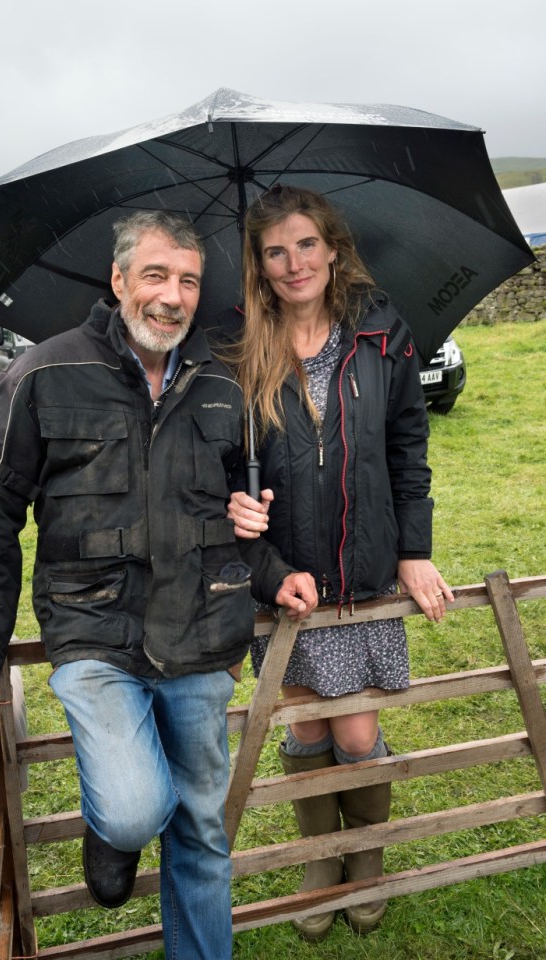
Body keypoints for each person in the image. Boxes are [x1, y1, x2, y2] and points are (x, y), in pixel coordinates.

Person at [0, 210, 318, 960]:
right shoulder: (44, 373)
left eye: (187, 280)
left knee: (204, 831)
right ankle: (116, 833)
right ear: (117, 281)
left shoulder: (221, 382)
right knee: (139, 806)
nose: (172, 297)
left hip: (203, 634)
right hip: (93, 635)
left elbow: (235, 515)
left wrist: (271, 570)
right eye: (154, 275)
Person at [227, 185, 454, 940]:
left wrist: (413, 551)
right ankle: (320, 856)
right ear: (258, 265)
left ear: (331, 247)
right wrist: (241, 508)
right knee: (303, 723)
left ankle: (367, 855)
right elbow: (220, 459)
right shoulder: (236, 349)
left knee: (354, 732)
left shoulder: (381, 330)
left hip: (359, 567)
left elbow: (406, 448)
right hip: (283, 573)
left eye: (305, 244)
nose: (293, 264)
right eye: (274, 251)